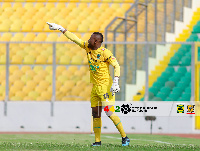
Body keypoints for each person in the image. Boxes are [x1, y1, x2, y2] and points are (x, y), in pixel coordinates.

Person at [46, 22, 130, 146]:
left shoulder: (104, 52)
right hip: (95, 87)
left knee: (109, 112)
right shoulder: (87, 47)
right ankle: (97, 141)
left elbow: (116, 65)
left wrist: (116, 81)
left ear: (97, 41)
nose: (88, 40)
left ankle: (125, 137)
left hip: (106, 87)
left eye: (91, 38)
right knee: (95, 114)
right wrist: (61, 29)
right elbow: (75, 39)